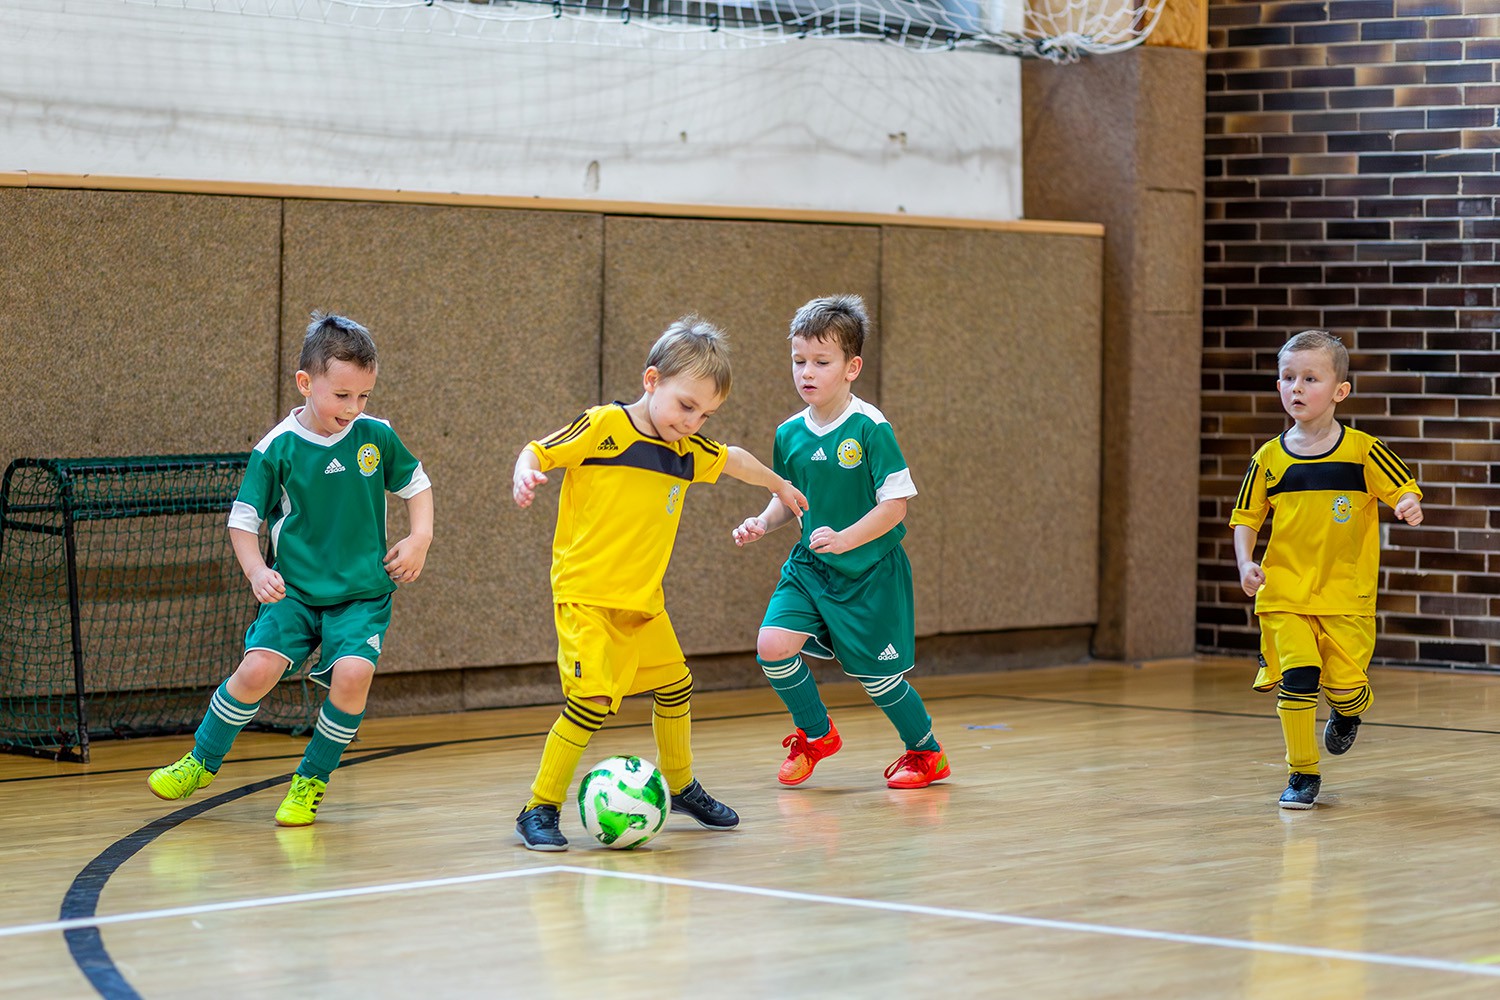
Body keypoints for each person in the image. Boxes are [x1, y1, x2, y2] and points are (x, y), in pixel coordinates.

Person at [512, 315, 809, 851]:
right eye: (686, 406)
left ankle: (680, 786)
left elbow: (734, 459)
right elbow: (540, 449)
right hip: (587, 599)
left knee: (676, 687)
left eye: (706, 414)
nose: (693, 422)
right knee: (590, 702)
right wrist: (525, 470)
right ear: (652, 381)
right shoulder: (603, 426)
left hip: (644, 604)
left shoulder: (686, 450)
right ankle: (539, 806)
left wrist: (779, 485)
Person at [147, 312, 434, 826]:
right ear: (305, 383)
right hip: (294, 592)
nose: (353, 408)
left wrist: (420, 539)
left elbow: (417, 485)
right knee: (257, 670)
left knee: (354, 675)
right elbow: (243, 520)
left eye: (364, 396)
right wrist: (257, 571)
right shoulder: (276, 448)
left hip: (361, 594)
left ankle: (311, 781)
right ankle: (201, 761)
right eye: (341, 395)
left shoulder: (376, 436)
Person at [732, 294, 950, 791]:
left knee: (879, 680)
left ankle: (927, 753)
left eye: (821, 362)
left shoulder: (870, 427)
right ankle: (816, 734)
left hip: (870, 573)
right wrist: (762, 522)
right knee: (772, 645)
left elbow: (896, 505)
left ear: (852, 368)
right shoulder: (788, 433)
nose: (806, 372)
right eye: (799, 361)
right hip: (810, 568)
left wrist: (847, 539)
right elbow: (791, 500)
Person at [1231, 329, 1422, 809]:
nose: (1296, 387)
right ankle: (1302, 773)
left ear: (1340, 391)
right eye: (1287, 377)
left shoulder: (1363, 450)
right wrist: (1246, 562)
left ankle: (1350, 710)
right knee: (1298, 677)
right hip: (1284, 592)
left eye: (1310, 378)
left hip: (1345, 595)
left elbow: (1402, 487)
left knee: (1346, 687)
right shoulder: (1268, 458)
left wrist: (1407, 502)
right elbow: (1246, 518)